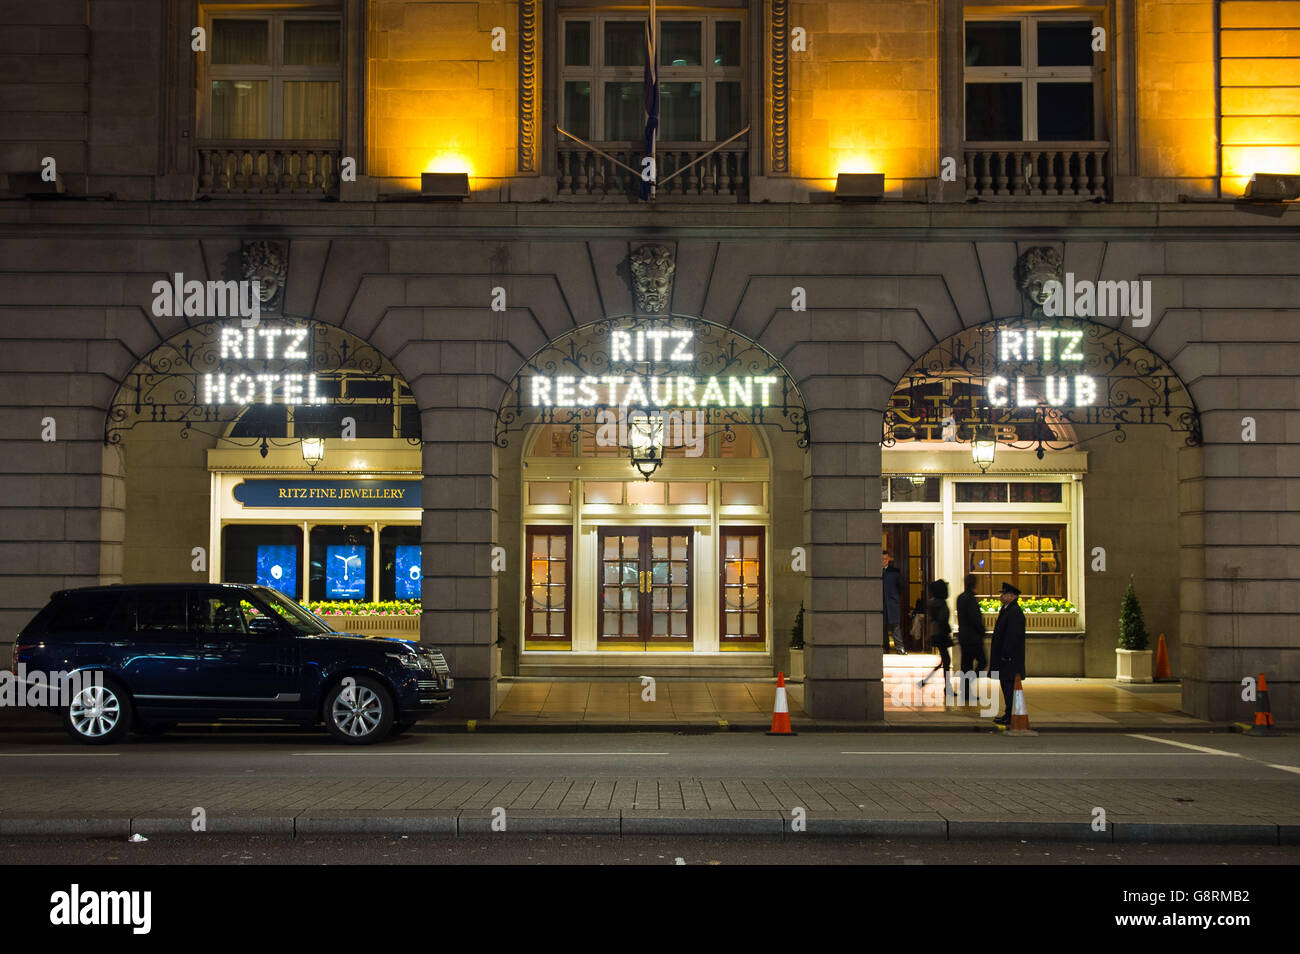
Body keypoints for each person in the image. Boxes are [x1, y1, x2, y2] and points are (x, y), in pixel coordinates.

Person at [988, 581, 1027, 725]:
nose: (1001, 596)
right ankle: (1008, 713)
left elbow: (1012, 636)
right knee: (1006, 686)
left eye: (1003, 594)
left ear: (1011, 596)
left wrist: (1006, 654)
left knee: (1010, 687)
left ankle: (1011, 715)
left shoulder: (1015, 612)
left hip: (1009, 659)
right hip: (1004, 657)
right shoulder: (1007, 610)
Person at [955, 574, 987, 704]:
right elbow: (974, 619)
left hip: (964, 636)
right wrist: (982, 631)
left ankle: (965, 689)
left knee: (966, 664)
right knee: (983, 661)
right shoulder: (971, 599)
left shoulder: (961, 598)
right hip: (973, 637)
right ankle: (967, 686)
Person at [918, 579, 952, 698]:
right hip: (941, 633)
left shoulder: (932, 603)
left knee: (944, 661)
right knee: (946, 661)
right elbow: (943, 619)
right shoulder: (942, 603)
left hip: (935, 632)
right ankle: (947, 687)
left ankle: (926, 681)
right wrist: (948, 630)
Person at [881, 552, 907, 654]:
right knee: (883, 626)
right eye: (882, 559)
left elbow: (901, 586)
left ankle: (900, 648)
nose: (884, 561)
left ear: (888, 559)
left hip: (892, 603)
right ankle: (884, 647)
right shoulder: (875, 571)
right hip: (881, 603)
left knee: (895, 626)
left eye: (885, 559)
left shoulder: (895, 571)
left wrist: (895, 596)